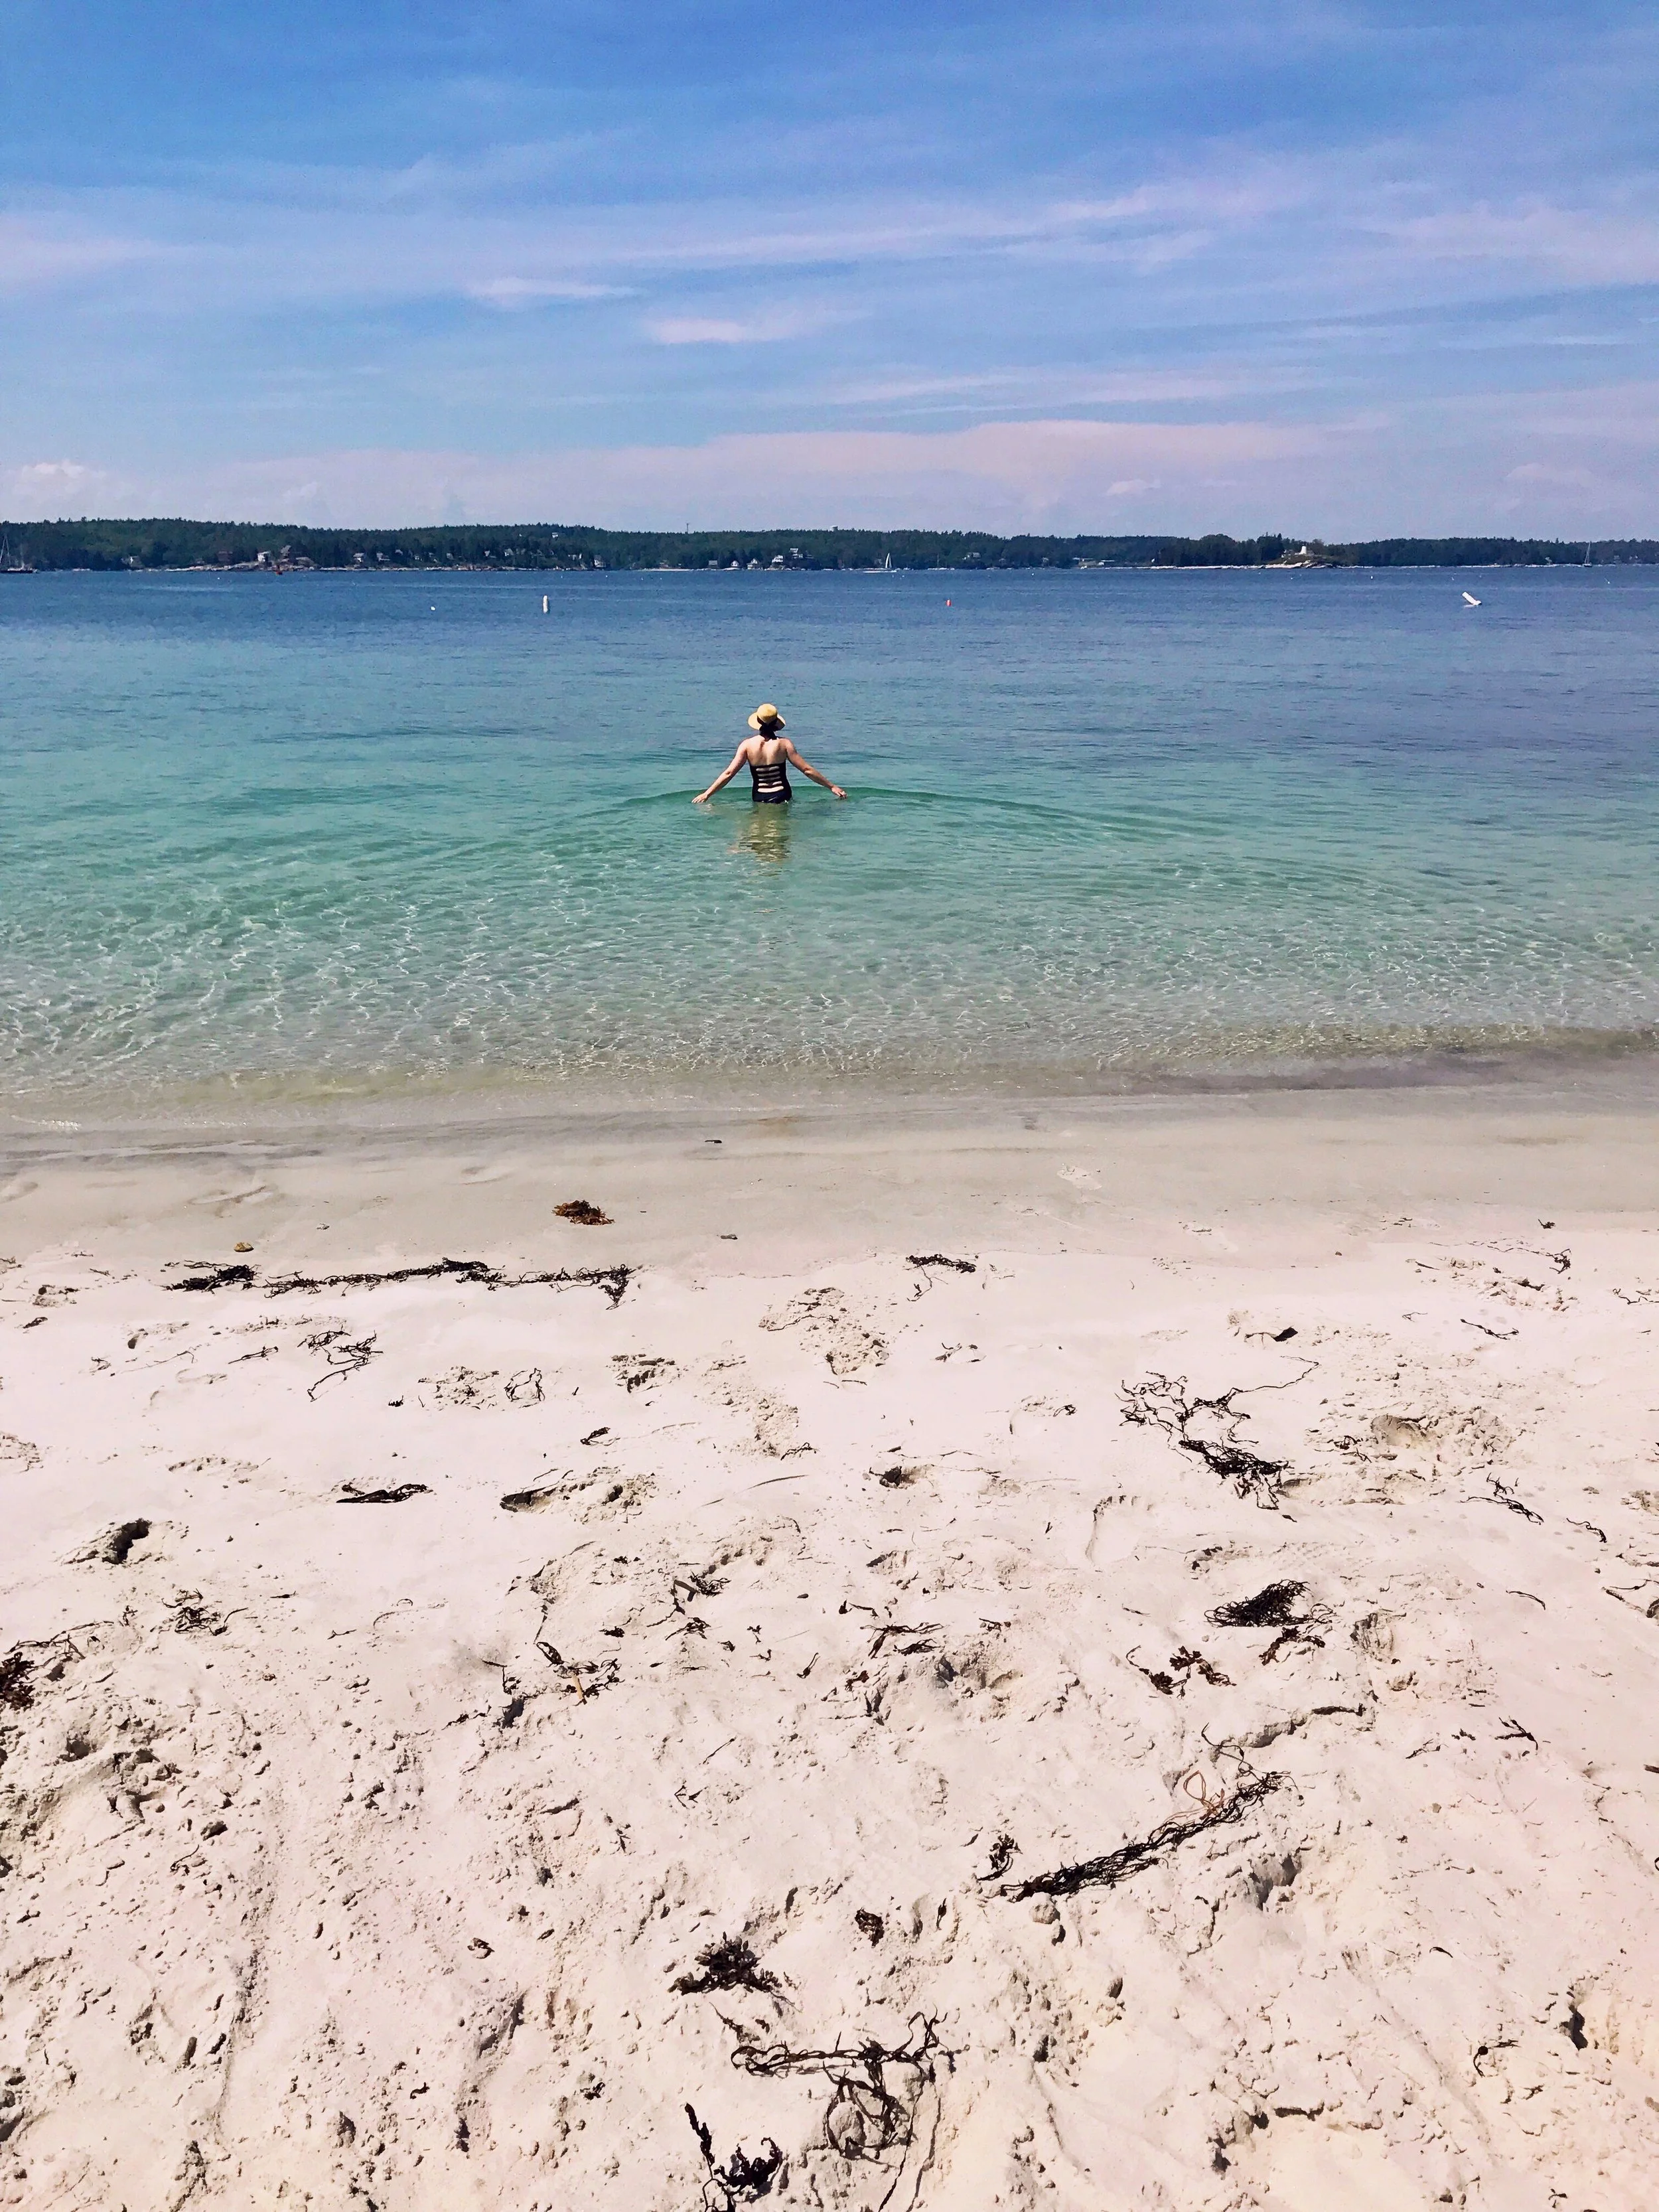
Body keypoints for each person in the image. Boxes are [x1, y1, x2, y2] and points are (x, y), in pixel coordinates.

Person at [693, 703, 847, 806]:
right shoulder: (784, 744)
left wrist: (707, 794)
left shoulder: (747, 745)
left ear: (758, 722)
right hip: (782, 796)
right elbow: (807, 770)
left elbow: (729, 773)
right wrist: (832, 787)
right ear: (776, 723)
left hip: (760, 797)